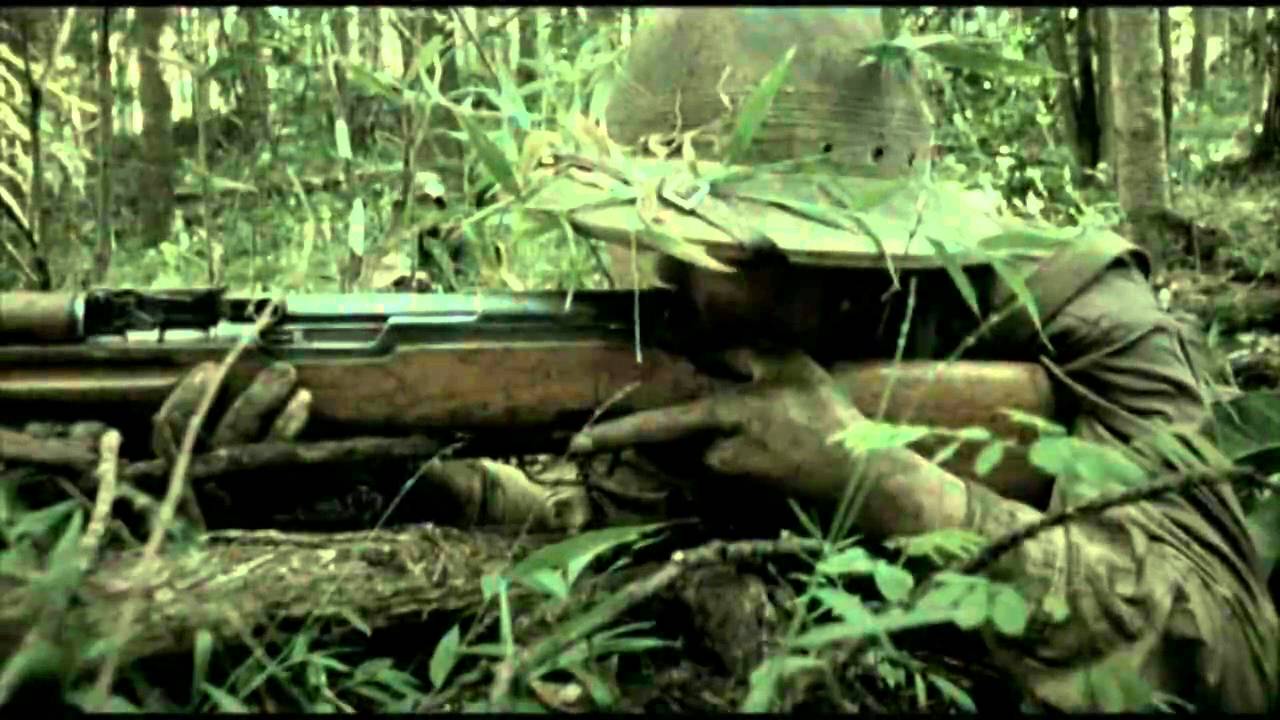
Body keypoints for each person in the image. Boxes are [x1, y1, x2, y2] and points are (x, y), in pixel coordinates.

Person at [520, 7, 1278, 712]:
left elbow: (1234, 659)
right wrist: (495, 496)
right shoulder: (714, 329)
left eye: (719, 247)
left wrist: (887, 485)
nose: (669, 276)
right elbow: (639, 525)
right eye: (657, 237)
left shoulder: (1077, 310)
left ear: (838, 254)